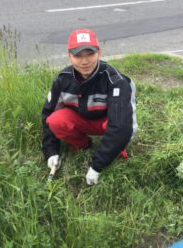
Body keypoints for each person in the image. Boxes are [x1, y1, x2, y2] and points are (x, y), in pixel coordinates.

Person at [41, 28, 138, 185]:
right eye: (78, 55)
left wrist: (97, 166)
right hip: (83, 121)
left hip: (111, 123)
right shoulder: (62, 80)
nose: (84, 61)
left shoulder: (116, 81)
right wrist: (51, 152)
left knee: (120, 129)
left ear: (99, 53)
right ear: (69, 56)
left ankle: (115, 151)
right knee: (55, 120)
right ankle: (83, 145)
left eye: (90, 54)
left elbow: (122, 126)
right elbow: (47, 114)